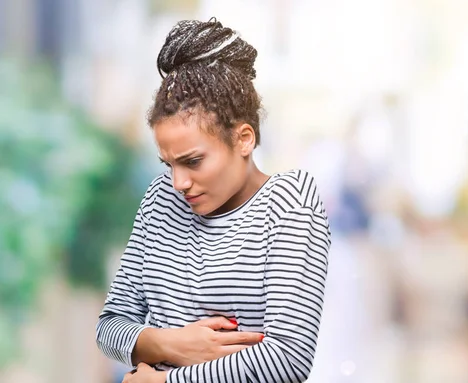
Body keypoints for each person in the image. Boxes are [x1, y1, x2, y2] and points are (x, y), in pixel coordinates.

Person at [95, 18, 332, 383]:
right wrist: (170, 344)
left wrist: (163, 380)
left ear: (244, 139)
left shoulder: (289, 204)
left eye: (192, 161)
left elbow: (288, 359)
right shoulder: (161, 200)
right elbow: (110, 326)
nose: (179, 183)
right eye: (168, 163)